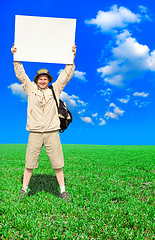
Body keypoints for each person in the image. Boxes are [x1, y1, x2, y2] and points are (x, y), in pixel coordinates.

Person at [11, 43, 76, 201]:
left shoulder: (55, 89)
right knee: (29, 162)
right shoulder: (30, 88)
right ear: (36, 80)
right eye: (40, 78)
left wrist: (71, 56)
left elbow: (66, 75)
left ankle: (62, 191)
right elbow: (21, 75)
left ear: (48, 80)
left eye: (45, 78)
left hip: (52, 132)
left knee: (58, 163)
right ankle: (24, 189)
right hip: (34, 132)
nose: (42, 81)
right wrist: (15, 57)